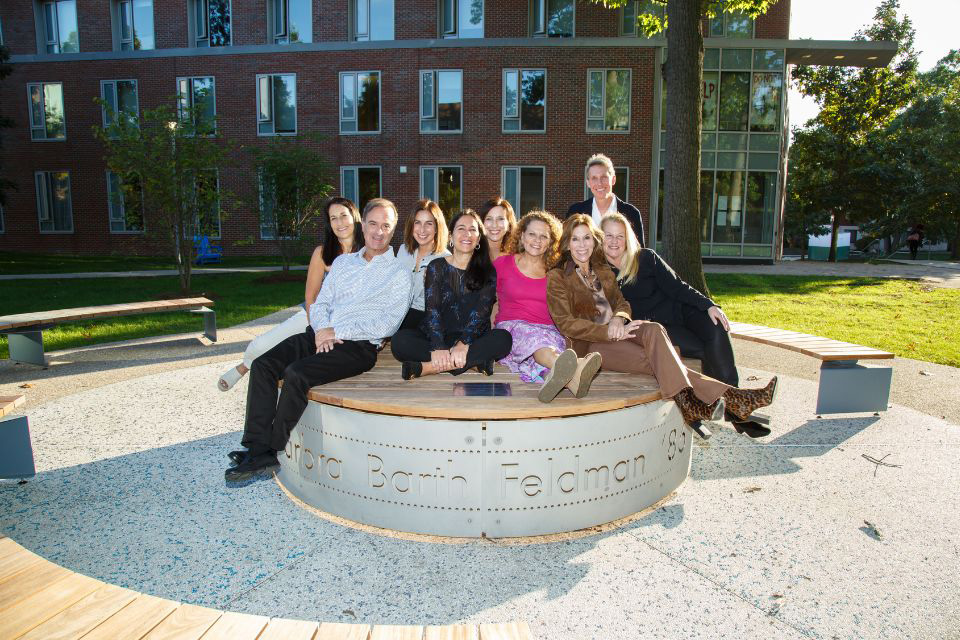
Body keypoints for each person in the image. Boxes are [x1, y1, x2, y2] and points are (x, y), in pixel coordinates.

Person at [225, 198, 412, 481]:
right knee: (263, 365)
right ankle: (256, 447)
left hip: (358, 347)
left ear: (393, 230)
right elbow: (321, 302)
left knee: (296, 374)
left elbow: (387, 324)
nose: (378, 231)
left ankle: (267, 450)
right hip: (319, 335)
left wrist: (338, 333)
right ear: (363, 224)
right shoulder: (343, 263)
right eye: (373, 223)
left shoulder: (399, 273)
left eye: (386, 226)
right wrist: (323, 329)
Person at [599, 213, 777, 437]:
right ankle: (736, 405)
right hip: (658, 328)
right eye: (608, 236)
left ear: (628, 238)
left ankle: (734, 404)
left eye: (620, 236)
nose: (614, 242)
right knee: (704, 350)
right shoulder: (601, 273)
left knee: (716, 326)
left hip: (681, 312)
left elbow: (678, 287)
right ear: (600, 238)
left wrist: (709, 305)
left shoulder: (645, 258)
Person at [217, 197, 364, 392]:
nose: (340, 223)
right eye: (333, 218)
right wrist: (318, 328)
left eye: (344, 216)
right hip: (315, 317)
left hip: (347, 323)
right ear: (329, 224)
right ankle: (244, 367)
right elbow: (311, 297)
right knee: (262, 345)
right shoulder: (322, 253)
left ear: (355, 217)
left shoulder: (368, 253)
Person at [494, 210, 602, 403]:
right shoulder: (503, 264)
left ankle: (566, 382)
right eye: (532, 234)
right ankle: (577, 367)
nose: (537, 240)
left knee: (546, 347)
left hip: (548, 330)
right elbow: (484, 298)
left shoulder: (556, 271)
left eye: (544, 236)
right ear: (522, 235)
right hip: (512, 330)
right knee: (537, 343)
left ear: (551, 241)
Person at [392, 209, 513, 379]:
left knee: (504, 339)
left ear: (478, 238)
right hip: (439, 334)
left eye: (472, 230)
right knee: (399, 342)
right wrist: (438, 346)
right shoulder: (437, 266)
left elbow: (482, 313)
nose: (466, 234)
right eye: (461, 228)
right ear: (451, 235)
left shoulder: (488, 271)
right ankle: (473, 363)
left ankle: (429, 368)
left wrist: (464, 343)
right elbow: (432, 310)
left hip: (472, 339)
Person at [565, 153, 645, 246]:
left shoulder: (631, 213)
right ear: (588, 183)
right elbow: (566, 248)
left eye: (604, 177)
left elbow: (638, 252)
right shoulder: (576, 212)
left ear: (613, 179)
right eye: (594, 178)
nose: (599, 183)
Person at [396, 199, 450, 330]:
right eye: (417, 223)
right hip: (399, 311)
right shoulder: (403, 250)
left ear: (437, 228)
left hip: (425, 316)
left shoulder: (445, 258)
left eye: (429, 224)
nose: (422, 229)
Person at [479, 197, 517, 262]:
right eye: (489, 219)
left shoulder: (517, 256)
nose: (494, 225)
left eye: (500, 219)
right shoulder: (471, 254)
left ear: (509, 224)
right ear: (482, 223)